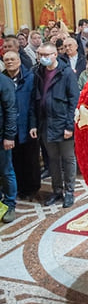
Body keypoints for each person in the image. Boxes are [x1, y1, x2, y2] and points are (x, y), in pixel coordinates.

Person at [29, 42, 79, 208]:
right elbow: (34, 101)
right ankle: (57, 191)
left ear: (55, 55)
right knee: (53, 160)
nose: (43, 58)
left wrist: (70, 126)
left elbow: (74, 101)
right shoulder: (37, 73)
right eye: (40, 55)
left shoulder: (66, 73)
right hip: (45, 124)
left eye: (46, 55)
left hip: (62, 122)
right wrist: (34, 124)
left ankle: (69, 191)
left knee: (68, 159)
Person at [1, 50, 40, 201]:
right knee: (15, 159)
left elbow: (33, 104)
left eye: (12, 59)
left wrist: (33, 124)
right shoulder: (3, 78)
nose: (9, 62)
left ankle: (31, 188)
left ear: (19, 61)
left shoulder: (30, 77)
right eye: (6, 60)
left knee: (30, 158)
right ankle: (19, 188)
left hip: (27, 123)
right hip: (9, 126)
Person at [0, 66, 18, 222]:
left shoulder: (4, 82)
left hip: (2, 136)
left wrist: (9, 136)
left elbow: (11, 111)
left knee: (6, 171)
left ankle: (10, 203)